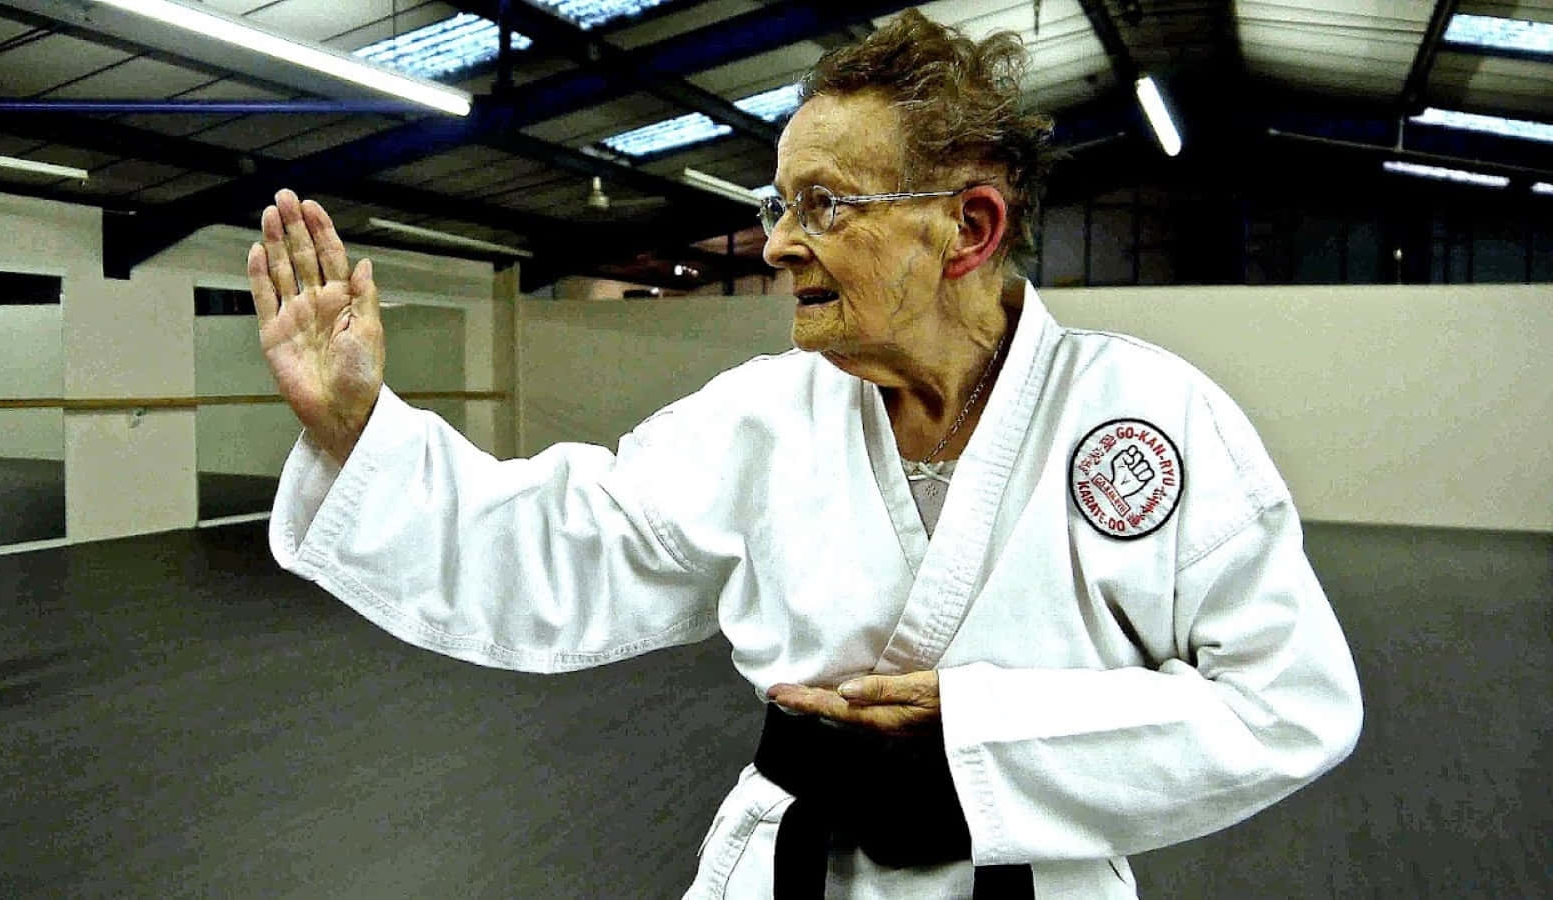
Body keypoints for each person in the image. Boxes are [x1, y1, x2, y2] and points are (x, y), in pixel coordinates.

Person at [247, 10, 1361, 899]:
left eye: (822, 205)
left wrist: (985, 742)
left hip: (1034, 880)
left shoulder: (1149, 418)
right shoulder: (760, 419)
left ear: (966, 229)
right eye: (779, 205)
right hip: (790, 870)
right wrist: (355, 425)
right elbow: (561, 547)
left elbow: (1289, 702)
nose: (777, 244)